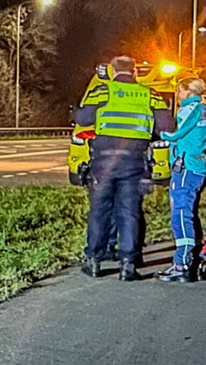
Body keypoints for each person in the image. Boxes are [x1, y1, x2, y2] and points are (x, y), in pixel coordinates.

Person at [75, 55, 176, 281]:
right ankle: (128, 265)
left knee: (99, 210)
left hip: (103, 160)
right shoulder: (150, 94)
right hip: (134, 161)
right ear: (135, 72)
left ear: (112, 70)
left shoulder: (102, 91)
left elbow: (82, 119)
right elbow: (168, 126)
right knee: (129, 211)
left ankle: (93, 260)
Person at [156, 78, 206, 282]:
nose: (177, 96)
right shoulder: (205, 109)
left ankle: (182, 262)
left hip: (185, 166)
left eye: (179, 91)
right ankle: (198, 256)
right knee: (191, 211)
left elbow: (176, 134)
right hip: (199, 165)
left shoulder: (188, 110)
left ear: (187, 92)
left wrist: (158, 132)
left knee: (180, 212)